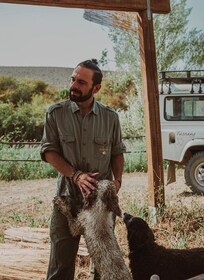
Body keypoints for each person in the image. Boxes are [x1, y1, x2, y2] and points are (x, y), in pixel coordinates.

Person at [40, 59, 126, 279]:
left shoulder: (111, 117)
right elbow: (49, 152)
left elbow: (117, 152)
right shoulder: (55, 113)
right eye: (73, 79)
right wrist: (76, 175)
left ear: (95, 88)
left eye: (81, 82)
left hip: (100, 202)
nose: (73, 85)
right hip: (66, 199)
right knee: (60, 265)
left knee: (103, 266)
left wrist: (117, 182)